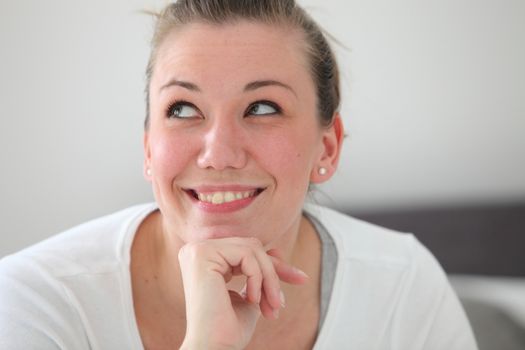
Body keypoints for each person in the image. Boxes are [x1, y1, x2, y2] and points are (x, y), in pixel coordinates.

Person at [0, 0, 478, 349]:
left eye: (263, 107)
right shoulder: (35, 303)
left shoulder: (403, 288)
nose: (219, 153)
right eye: (183, 108)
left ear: (326, 147)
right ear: (149, 149)